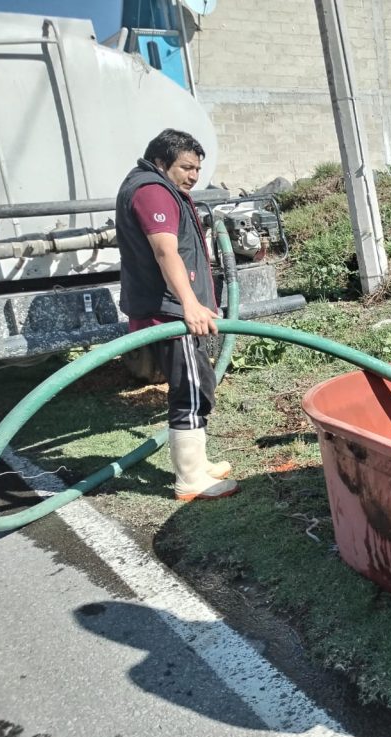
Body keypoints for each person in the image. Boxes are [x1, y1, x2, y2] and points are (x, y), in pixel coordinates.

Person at [116, 129, 239, 501]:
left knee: (199, 383)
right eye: (186, 167)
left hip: (177, 309)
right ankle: (190, 479)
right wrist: (188, 304)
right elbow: (165, 251)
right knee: (188, 390)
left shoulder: (160, 188)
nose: (193, 175)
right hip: (170, 312)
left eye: (197, 169)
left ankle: (197, 463)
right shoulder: (152, 190)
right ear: (160, 161)